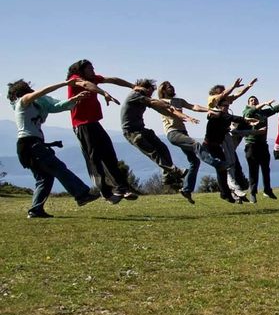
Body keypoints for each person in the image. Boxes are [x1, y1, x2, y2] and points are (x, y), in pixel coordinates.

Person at [8, 79, 100, 218]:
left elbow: (56, 106)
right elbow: (43, 92)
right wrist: (65, 84)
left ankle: (35, 210)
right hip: (30, 144)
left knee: (44, 178)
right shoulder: (23, 101)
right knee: (58, 168)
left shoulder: (33, 106)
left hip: (30, 145)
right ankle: (81, 194)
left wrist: (74, 99)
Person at [66, 59, 140, 203]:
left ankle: (121, 188)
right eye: (90, 68)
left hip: (94, 124)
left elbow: (112, 79)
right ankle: (105, 192)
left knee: (109, 155)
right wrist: (103, 93)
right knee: (94, 159)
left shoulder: (93, 79)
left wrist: (132, 86)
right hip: (82, 126)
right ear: (80, 70)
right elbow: (86, 85)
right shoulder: (74, 79)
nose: (93, 70)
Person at [120, 79, 191, 190]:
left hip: (141, 129)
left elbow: (160, 110)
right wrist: (166, 103)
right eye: (150, 92)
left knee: (162, 148)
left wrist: (177, 116)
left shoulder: (144, 99)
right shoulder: (135, 95)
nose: (151, 94)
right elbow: (153, 102)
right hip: (132, 133)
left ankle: (167, 177)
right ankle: (174, 171)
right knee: (153, 153)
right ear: (144, 89)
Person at [157, 80, 217, 204]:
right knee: (196, 144)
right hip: (173, 133)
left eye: (172, 86)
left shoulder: (179, 101)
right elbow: (173, 111)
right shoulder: (161, 102)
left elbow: (193, 106)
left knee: (194, 161)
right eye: (168, 87)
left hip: (182, 133)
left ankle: (186, 189)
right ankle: (215, 163)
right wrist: (187, 117)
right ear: (163, 90)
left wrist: (208, 110)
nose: (172, 88)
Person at [204, 94, 261, 203]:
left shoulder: (229, 127)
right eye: (224, 105)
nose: (226, 107)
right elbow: (231, 118)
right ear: (219, 106)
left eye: (227, 105)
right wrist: (247, 119)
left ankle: (228, 194)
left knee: (226, 168)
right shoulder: (216, 114)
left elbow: (238, 128)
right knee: (227, 167)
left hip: (218, 146)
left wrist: (256, 131)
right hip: (210, 146)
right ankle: (235, 190)